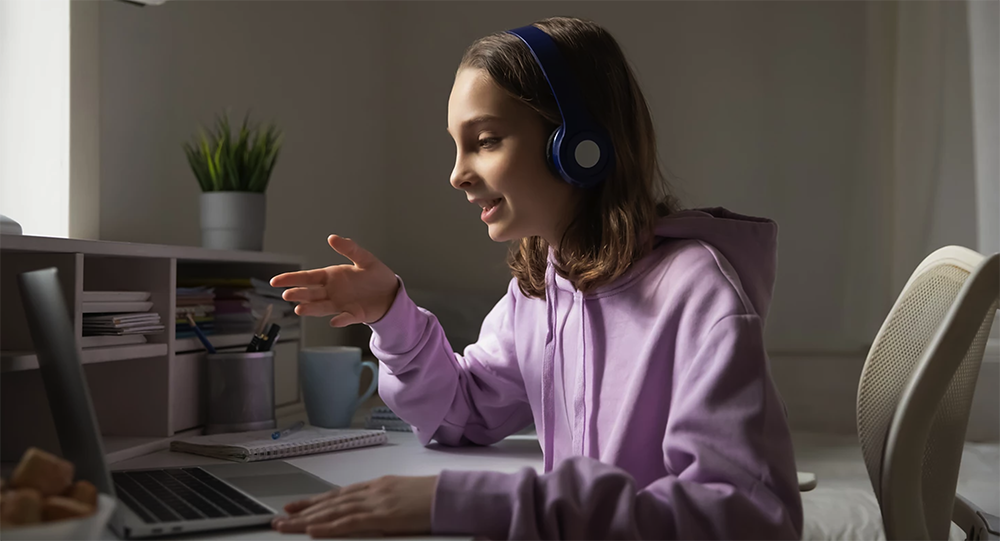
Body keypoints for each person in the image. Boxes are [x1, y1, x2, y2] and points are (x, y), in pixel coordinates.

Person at [269, 16, 803, 541]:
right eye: (456, 145)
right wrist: (391, 314)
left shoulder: (697, 292)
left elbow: (747, 517)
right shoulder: (540, 291)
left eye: (485, 140)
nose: (456, 174)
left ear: (578, 146)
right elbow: (466, 413)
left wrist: (476, 503)